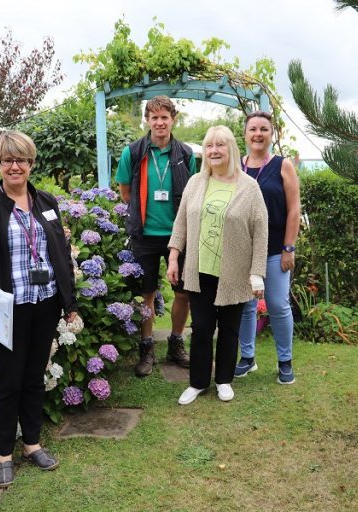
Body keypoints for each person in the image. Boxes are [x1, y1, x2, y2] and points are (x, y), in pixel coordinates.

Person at [0, 130, 78, 488]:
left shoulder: (46, 202)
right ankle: (3, 456)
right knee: (9, 383)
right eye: (8, 160)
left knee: (33, 378)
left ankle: (32, 444)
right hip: (6, 312)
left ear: (31, 164)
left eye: (22, 160)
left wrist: (68, 302)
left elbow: (58, 252)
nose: (15, 166)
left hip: (43, 306)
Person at [167, 125, 268, 405]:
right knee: (201, 327)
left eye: (220, 145)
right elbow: (181, 223)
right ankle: (198, 382)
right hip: (200, 271)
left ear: (231, 150)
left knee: (229, 328)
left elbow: (261, 231)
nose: (214, 151)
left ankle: (224, 380)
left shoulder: (249, 187)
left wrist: (257, 272)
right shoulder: (196, 182)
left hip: (234, 272)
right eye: (209, 145)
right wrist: (174, 257)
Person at [116, 95, 197, 376]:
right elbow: (125, 192)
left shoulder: (186, 155)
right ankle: (147, 348)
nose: (160, 122)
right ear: (147, 121)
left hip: (179, 234)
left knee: (183, 293)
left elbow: (194, 193)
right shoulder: (134, 152)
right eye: (154, 117)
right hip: (145, 236)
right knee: (146, 294)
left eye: (165, 117)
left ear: (173, 120)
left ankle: (176, 344)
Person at [234, 111, 301, 384]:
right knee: (246, 306)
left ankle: (285, 361)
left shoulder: (283, 165)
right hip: (244, 251)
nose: (258, 134)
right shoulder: (236, 166)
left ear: (271, 134)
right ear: (245, 134)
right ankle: (247, 358)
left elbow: (294, 210)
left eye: (263, 129)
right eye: (253, 129)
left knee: (277, 305)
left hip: (275, 251)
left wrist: (289, 248)